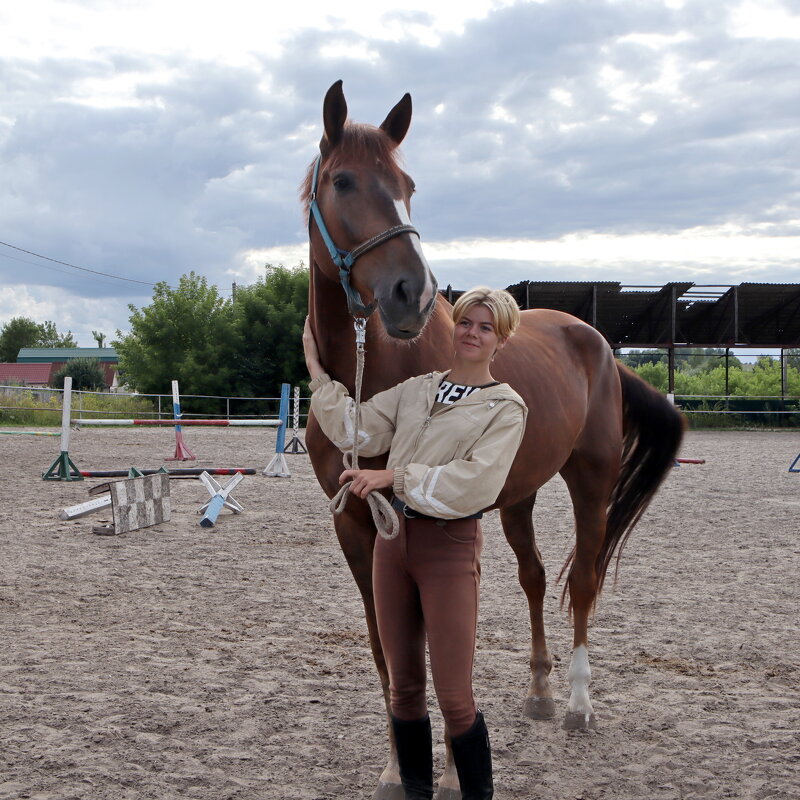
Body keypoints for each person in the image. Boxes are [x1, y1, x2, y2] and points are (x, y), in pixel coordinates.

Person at [303, 286, 527, 800]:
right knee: (403, 692)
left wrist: (392, 479)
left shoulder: (505, 408)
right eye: (466, 322)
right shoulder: (417, 389)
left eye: (485, 326)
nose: (471, 332)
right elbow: (357, 433)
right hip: (392, 544)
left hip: (448, 548)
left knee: (454, 698)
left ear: (502, 340)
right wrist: (317, 372)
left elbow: (475, 483)